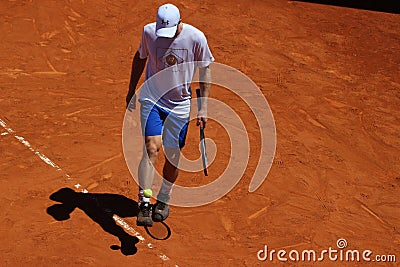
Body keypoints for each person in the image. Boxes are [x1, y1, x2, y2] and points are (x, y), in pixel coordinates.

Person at [126, 3, 214, 226]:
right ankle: (144, 202)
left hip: (180, 104)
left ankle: (163, 198)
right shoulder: (149, 32)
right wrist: (130, 91)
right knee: (151, 147)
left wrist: (203, 106)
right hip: (153, 98)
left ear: (179, 23)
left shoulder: (196, 38)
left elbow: (205, 69)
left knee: (173, 156)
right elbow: (140, 58)